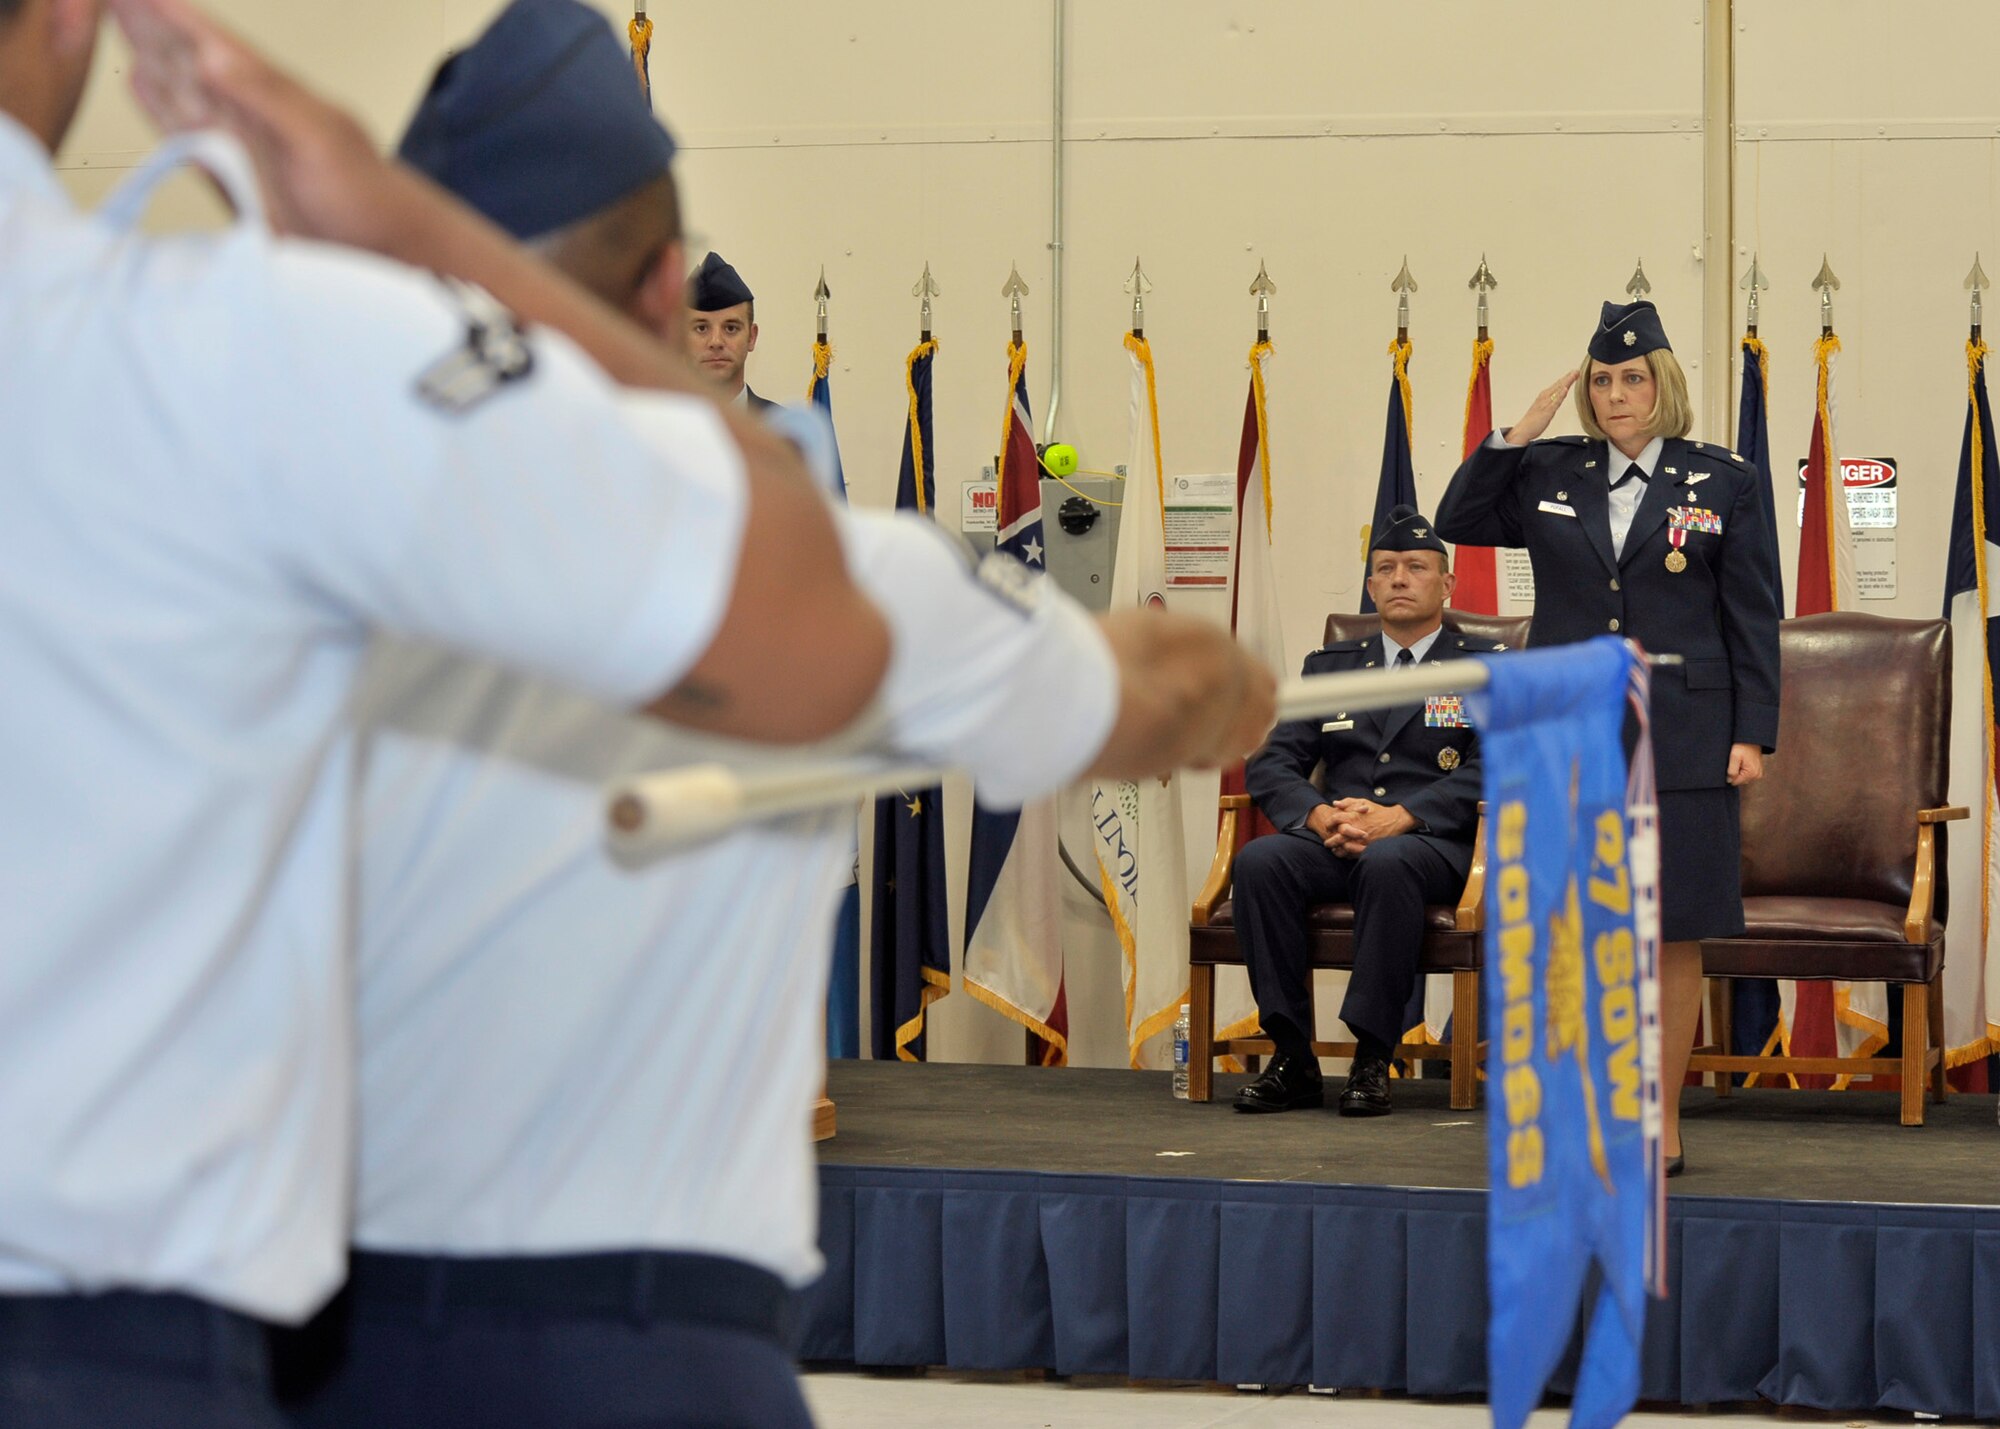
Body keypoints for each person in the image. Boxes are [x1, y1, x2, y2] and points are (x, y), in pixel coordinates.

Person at [0, 1, 1276, 1424]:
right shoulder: (821, 571)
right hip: (641, 1342)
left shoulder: (286, 520)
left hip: (322, 1348)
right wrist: (1214, 672)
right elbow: (1177, 696)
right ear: (673, 289)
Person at [1434, 298, 1781, 1175]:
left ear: (1663, 384)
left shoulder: (1722, 479)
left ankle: (1658, 1119)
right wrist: (1518, 430)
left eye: (1633, 378)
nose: (1617, 393)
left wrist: (1755, 731)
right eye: (1602, 379)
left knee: (1671, 930)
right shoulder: (1550, 471)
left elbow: (1752, 615)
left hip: (1687, 730)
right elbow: (1457, 519)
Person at [1232, 507, 1502, 1118]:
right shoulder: (1331, 668)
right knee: (1261, 862)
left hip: (1433, 846)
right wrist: (1319, 815)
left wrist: (1405, 814)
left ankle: (1374, 1055)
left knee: (1390, 863)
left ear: (1447, 584)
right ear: (1372, 587)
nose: (1400, 578)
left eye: (1416, 567)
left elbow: (1503, 766)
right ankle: (1292, 1056)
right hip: (1338, 837)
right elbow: (1272, 763)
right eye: (1386, 569)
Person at [687, 250, 770, 408]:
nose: (716, 341)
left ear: (751, 337)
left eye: (731, 328)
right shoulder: (654, 429)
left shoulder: (782, 429)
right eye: (701, 328)